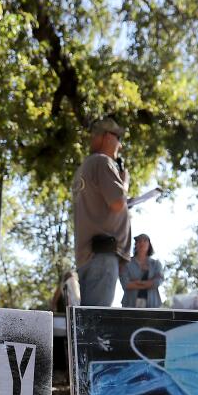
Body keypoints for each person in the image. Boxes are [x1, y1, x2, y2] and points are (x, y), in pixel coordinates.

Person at [72, 117, 131, 306]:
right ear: (107, 137)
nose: (120, 146)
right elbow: (117, 203)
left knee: (88, 321)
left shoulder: (85, 167)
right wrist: (125, 183)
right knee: (96, 325)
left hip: (89, 256)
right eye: (118, 138)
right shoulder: (103, 162)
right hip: (103, 257)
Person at [120, 234, 164, 308]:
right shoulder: (127, 264)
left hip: (152, 305)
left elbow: (157, 282)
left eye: (145, 241)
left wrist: (136, 282)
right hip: (130, 305)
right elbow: (125, 284)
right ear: (135, 245)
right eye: (139, 241)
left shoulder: (156, 264)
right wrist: (149, 283)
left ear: (149, 245)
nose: (142, 243)